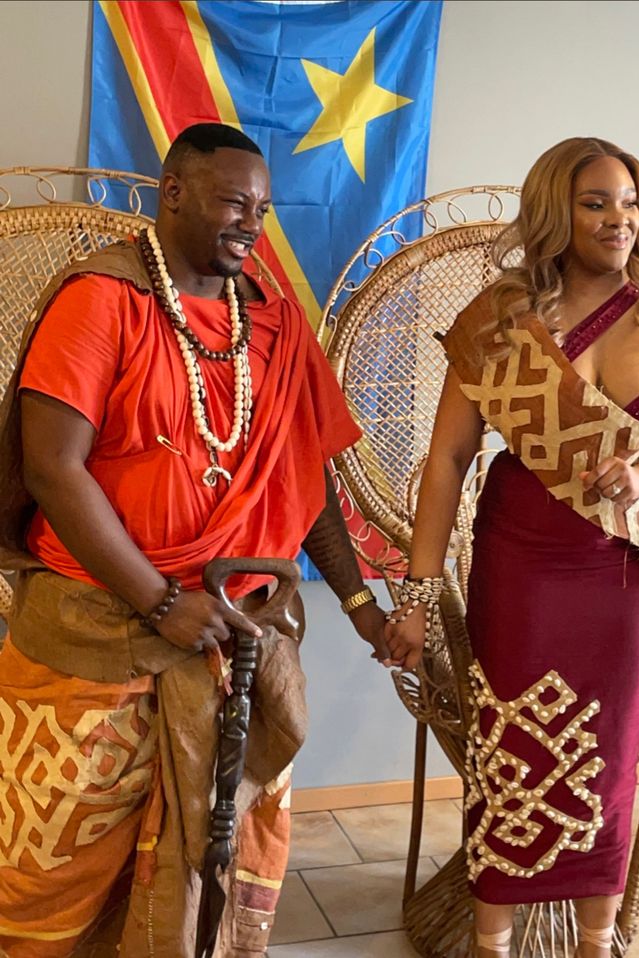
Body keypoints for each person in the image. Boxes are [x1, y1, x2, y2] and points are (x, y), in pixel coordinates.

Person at [0, 123, 392, 958]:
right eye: (232, 202)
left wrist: (362, 606)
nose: (250, 222)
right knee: (55, 870)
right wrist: (161, 599)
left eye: (261, 208)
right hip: (99, 632)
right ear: (173, 192)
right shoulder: (102, 299)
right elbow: (52, 469)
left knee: (219, 873)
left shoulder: (274, 324)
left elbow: (305, 477)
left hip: (241, 637)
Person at [384, 137, 639, 958]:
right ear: (552, 212)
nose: (618, 219)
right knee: (513, 748)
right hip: (521, 560)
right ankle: (492, 939)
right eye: (594, 202)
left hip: (623, 569)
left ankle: (594, 940)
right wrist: (418, 595)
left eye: (628, 201)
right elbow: (447, 461)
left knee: (607, 758)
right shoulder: (501, 320)